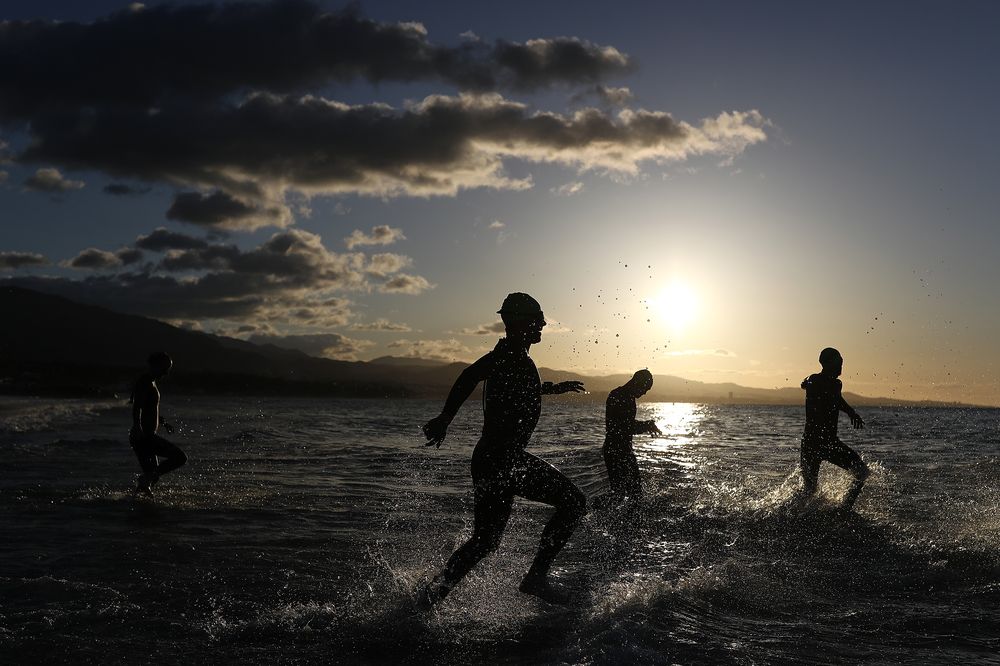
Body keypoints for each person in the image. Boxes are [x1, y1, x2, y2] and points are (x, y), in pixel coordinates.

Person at [420, 293, 587, 605]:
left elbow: (515, 389)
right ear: (520, 322)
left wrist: (550, 389)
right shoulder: (509, 354)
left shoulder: (514, 358)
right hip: (502, 459)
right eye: (537, 319)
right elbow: (469, 376)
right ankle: (536, 577)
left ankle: (430, 596)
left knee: (485, 541)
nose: (543, 325)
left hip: (494, 459)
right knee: (574, 503)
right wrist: (445, 418)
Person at [799, 347, 869, 510]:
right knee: (810, 489)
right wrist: (807, 382)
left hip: (821, 442)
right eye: (838, 363)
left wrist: (851, 413)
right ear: (827, 363)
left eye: (842, 363)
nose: (841, 367)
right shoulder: (817, 381)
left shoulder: (833, 384)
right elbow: (831, 395)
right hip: (818, 443)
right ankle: (841, 511)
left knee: (861, 472)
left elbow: (837, 399)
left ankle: (843, 509)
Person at [129, 352, 186, 497]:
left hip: (144, 436)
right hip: (144, 437)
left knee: (152, 476)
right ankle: (144, 485)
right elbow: (137, 406)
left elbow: (148, 408)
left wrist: (162, 422)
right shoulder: (145, 382)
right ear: (155, 365)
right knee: (180, 458)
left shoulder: (151, 382)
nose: (166, 372)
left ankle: (135, 500)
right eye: (165, 368)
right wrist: (137, 426)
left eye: (168, 369)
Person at [603, 369, 662, 499]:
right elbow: (622, 427)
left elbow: (626, 424)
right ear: (637, 382)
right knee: (630, 494)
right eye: (645, 388)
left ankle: (595, 509)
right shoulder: (620, 396)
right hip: (616, 451)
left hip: (620, 449)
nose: (645, 392)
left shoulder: (625, 396)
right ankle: (592, 508)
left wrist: (645, 425)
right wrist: (646, 425)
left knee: (622, 493)